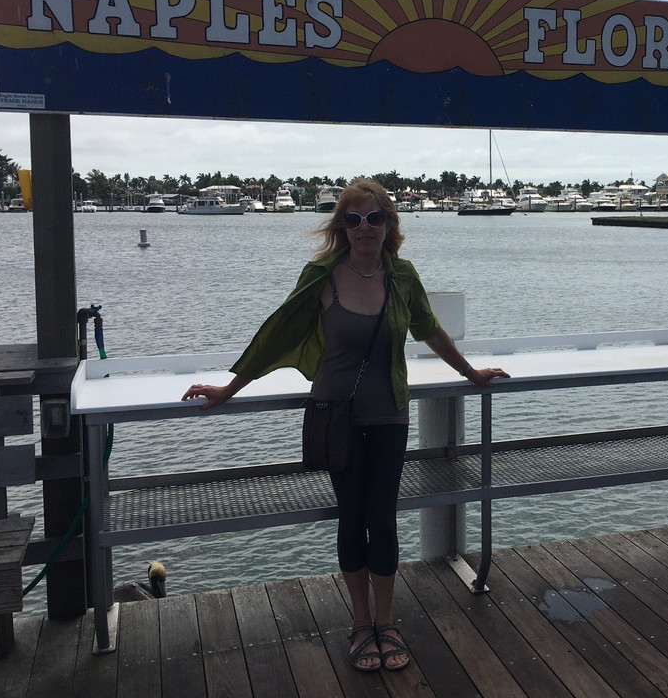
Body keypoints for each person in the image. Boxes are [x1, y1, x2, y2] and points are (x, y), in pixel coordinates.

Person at [182, 178, 509, 673]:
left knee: (383, 516)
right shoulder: (322, 276)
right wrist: (229, 389)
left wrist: (471, 373)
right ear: (342, 227)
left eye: (374, 218)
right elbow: (278, 335)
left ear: (389, 225)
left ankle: (386, 620)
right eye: (354, 219)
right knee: (351, 516)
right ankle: (361, 624)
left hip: (388, 415)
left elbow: (430, 330)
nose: (364, 228)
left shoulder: (402, 276)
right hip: (335, 413)